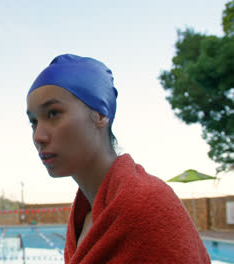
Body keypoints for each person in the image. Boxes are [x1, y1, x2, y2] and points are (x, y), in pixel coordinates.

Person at [26, 54, 210, 263]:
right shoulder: (86, 215)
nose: (38, 136)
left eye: (53, 114)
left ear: (101, 115)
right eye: (33, 122)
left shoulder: (146, 206)